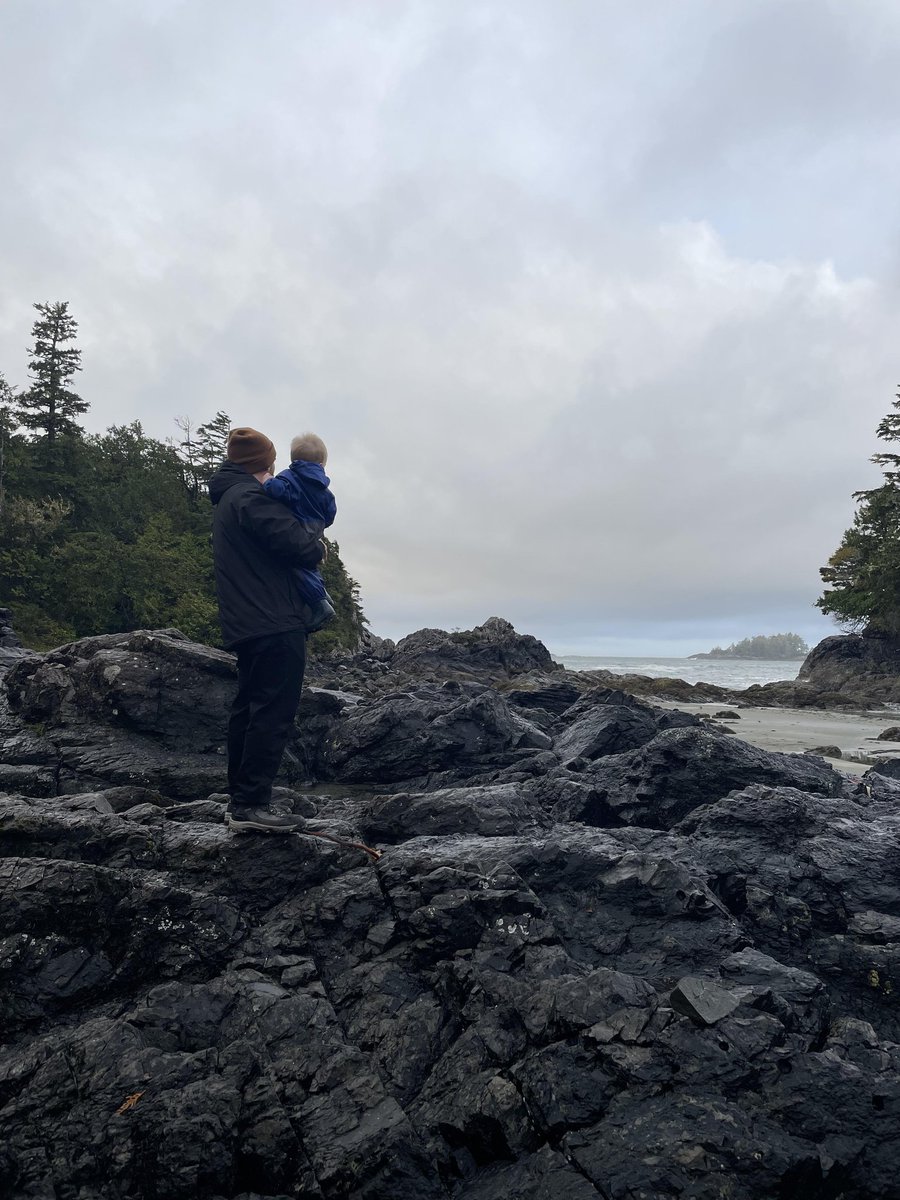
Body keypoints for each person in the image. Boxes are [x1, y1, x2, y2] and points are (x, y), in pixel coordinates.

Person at [208, 426, 324, 834]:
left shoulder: (228, 500)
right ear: (264, 463)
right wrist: (318, 540)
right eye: (271, 460)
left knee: (249, 708)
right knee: (272, 712)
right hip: (273, 620)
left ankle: (241, 798)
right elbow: (304, 548)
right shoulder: (249, 498)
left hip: (247, 622)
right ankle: (252, 804)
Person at [263, 432, 337, 633]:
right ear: (322, 463)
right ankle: (321, 593)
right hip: (317, 526)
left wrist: (266, 479)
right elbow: (331, 511)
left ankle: (319, 604)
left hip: (298, 524)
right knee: (309, 562)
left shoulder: (290, 476)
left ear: (293, 459)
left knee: (296, 565)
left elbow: (278, 491)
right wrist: (322, 525)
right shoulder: (324, 486)